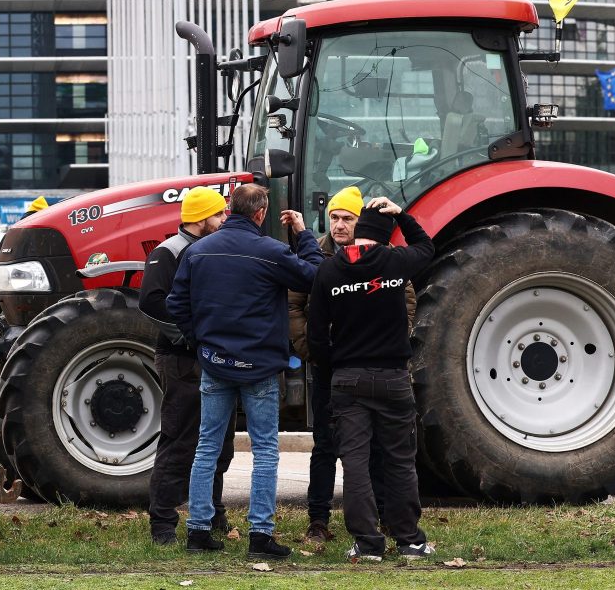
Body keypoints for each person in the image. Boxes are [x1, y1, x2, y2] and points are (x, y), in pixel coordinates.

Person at [168, 183, 322, 559]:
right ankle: (260, 536)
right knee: (266, 450)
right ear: (260, 213)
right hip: (260, 367)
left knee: (206, 447)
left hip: (215, 364)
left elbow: (176, 305)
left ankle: (197, 531)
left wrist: (199, 342)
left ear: (230, 209)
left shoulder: (197, 252)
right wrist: (303, 234)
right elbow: (316, 276)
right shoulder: (270, 252)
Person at [307, 197, 435, 563]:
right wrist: (403, 215)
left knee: (356, 463)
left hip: (348, 380)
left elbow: (316, 335)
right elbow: (426, 247)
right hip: (394, 378)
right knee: (398, 461)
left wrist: (334, 369)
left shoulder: (329, 272)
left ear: (359, 231)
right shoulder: (395, 262)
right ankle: (409, 540)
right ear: (383, 236)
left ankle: (367, 544)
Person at [286, 187, 414, 544]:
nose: (340, 225)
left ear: (360, 222)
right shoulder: (316, 255)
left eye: (348, 219)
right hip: (328, 366)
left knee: (374, 449)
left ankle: (383, 517)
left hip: (362, 365)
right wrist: (313, 353)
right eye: (334, 218)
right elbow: (296, 306)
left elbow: (407, 301)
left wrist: (392, 341)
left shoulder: (383, 256)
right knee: (325, 444)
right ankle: (318, 519)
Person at [138, 186, 232, 546]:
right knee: (180, 441)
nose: (225, 220)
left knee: (219, 443)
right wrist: (191, 337)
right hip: (182, 360)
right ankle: (163, 523)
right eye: (219, 214)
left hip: (211, 358)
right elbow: (151, 304)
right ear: (202, 218)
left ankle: (212, 512)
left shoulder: (208, 248)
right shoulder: (168, 253)